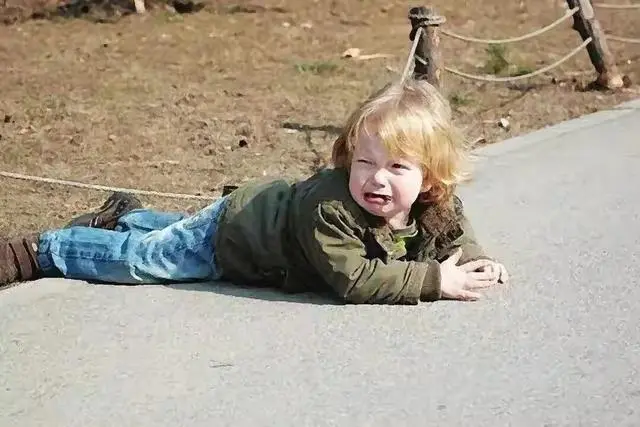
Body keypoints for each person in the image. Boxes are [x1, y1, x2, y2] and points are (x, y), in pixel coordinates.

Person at [0, 78, 508, 303]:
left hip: (253, 231)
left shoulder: (435, 203)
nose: (376, 178)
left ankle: (122, 216)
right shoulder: (330, 208)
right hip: (232, 236)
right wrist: (432, 282)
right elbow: (355, 280)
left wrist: (473, 263)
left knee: (166, 235)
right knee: (144, 261)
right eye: (365, 162)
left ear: (430, 177)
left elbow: (453, 237)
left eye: (397, 166)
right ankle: (40, 250)